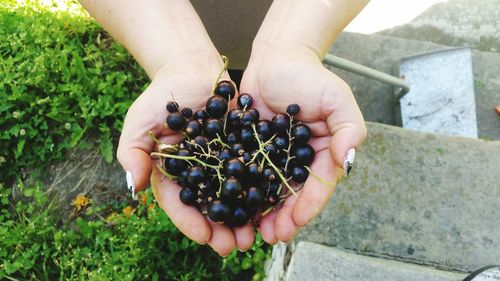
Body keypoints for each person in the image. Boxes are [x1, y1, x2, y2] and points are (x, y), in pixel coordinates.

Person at [79, 0, 368, 256]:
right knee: (232, 96)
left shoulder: (244, 147)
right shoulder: (230, 145)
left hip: (305, 18)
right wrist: (177, 60)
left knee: (242, 96)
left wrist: (292, 46)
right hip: (160, 22)